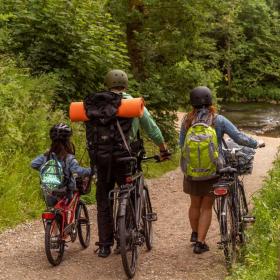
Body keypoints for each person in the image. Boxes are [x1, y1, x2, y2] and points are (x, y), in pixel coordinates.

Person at [89, 69, 169, 257]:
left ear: (107, 84)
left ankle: (104, 245)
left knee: (103, 198)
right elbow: (151, 128)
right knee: (130, 192)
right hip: (126, 157)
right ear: (125, 84)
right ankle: (126, 236)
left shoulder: (97, 103)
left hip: (102, 158)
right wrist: (163, 148)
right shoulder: (132, 103)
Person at [179, 86, 264, 254]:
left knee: (195, 204)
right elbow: (238, 137)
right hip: (213, 170)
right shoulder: (218, 119)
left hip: (192, 171)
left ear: (192, 103)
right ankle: (200, 243)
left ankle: (195, 234)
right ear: (210, 101)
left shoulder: (187, 120)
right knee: (206, 206)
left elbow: (182, 145)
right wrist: (256, 143)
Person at [31, 123, 91, 206]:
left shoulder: (46, 156)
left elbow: (33, 164)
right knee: (69, 197)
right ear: (67, 141)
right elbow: (78, 171)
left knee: (53, 211)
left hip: (49, 194)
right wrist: (92, 170)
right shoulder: (69, 158)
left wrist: (46, 168)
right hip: (66, 194)